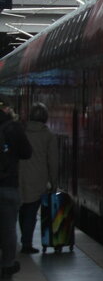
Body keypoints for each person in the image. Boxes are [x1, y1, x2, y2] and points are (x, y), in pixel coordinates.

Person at [18, 102, 58, 254]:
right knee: (31, 212)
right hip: (38, 180)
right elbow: (53, 162)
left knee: (22, 210)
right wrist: (54, 182)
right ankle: (26, 243)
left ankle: (23, 239)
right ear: (45, 117)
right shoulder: (48, 136)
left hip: (19, 178)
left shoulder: (21, 131)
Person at [0, 99, 33, 279]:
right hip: (8, 184)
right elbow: (27, 153)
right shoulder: (13, 127)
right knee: (8, 228)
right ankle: (7, 264)